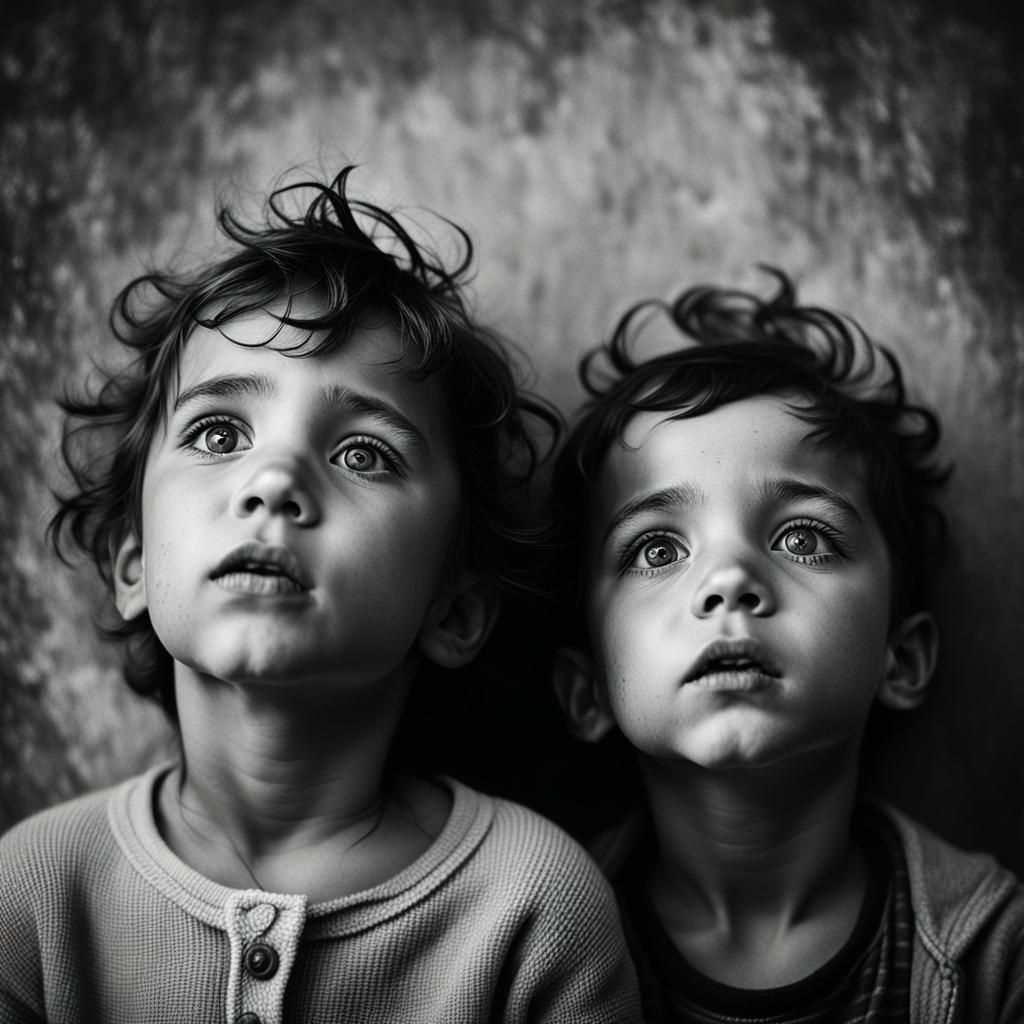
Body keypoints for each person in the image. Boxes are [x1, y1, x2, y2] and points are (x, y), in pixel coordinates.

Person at [0, 168, 641, 1023]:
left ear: (453, 609)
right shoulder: (35, 894)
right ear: (132, 565)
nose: (274, 481)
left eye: (364, 453)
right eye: (219, 432)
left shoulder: (536, 912)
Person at [550, 269, 1024, 1021]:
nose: (731, 580)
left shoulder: (994, 952)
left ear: (900, 660)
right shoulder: (530, 941)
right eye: (657, 550)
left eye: (803, 537)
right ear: (589, 690)